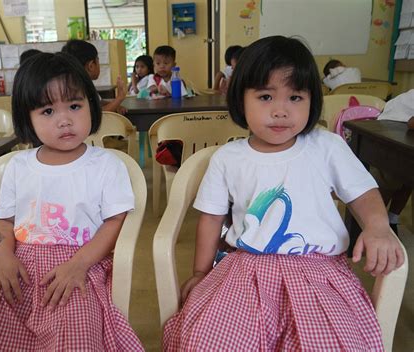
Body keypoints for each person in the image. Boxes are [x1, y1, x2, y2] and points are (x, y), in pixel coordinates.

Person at [163, 36, 404, 351]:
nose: (281, 111)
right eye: (265, 96)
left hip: (319, 273)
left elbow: (363, 194)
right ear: (240, 100)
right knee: (208, 338)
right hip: (245, 269)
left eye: (295, 97)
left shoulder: (326, 146)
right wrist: (200, 272)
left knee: (334, 342)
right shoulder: (227, 158)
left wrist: (377, 226)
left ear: (311, 100)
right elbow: (211, 219)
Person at [0, 52, 144, 351]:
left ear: (91, 104)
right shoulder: (18, 166)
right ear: (27, 118)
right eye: (47, 111)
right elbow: (4, 220)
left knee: (76, 336)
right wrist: (4, 257)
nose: (64, 120)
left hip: (78, 265)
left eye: (74, 106)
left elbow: (115, 220)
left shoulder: (106, 165)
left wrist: (80, 264)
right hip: (17, 263)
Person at [373, 88, 414, 234]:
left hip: (404, 129)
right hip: (391, 126)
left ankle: (392, 220)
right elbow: (411, 122)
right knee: (390, 179)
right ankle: (375, 223)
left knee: (409, 179)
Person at [61, 39, 127, 114]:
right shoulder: (78, 89)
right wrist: (119, 98)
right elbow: (97, 114)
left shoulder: (79, 84)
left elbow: (98, 102)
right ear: (91, 66)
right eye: (98, 60)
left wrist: (115, 104)